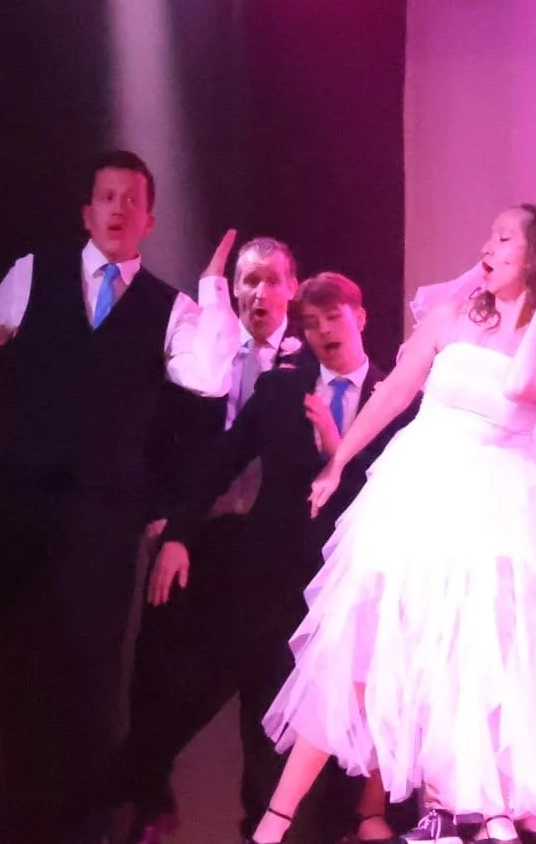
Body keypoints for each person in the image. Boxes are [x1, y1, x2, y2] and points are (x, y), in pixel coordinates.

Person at [0, 150, 240, 844]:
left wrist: (214, 293)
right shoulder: (33, 273)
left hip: (102, 518)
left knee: (89, 679)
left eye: (130, 200)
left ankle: (82, 831)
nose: (116, 209)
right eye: (105, 196)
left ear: (149, 218)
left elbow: (209, 381)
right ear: (87, 210)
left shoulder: (172, 307)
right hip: (18, 497)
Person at [246, 206, 536, 844]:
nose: (486, 247)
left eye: (503, 238)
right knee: (356, 656)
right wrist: (340, 460)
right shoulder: (456, 315)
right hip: (415, 494)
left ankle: (482, 808)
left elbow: (522, 384)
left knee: (477, 663)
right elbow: (393, 394)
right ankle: (274, 822)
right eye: (487, 234)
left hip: (491, 511)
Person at [118, 271, 407, 843]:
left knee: (344, 728)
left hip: (351, 588)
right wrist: (178, 533)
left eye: (334, 316)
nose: (324, 330)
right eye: (311, 322)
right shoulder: (282, 389)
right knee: (265, 730)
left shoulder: (397, 398)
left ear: (361, 316)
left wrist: (334, 447)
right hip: (275, 584)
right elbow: (221, 460)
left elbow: (392, 497)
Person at [112, 235, 306, 842]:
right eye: (248, 280)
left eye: (272, 279)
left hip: (271, 550)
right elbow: (161, 438)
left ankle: (262, 826)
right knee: (165, 673)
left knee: (261, 687)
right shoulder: (210, 357)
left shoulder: (306, 364)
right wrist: (164, 517)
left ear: (292, 288)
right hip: (198, 538)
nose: (259, 292)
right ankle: (144, 798)